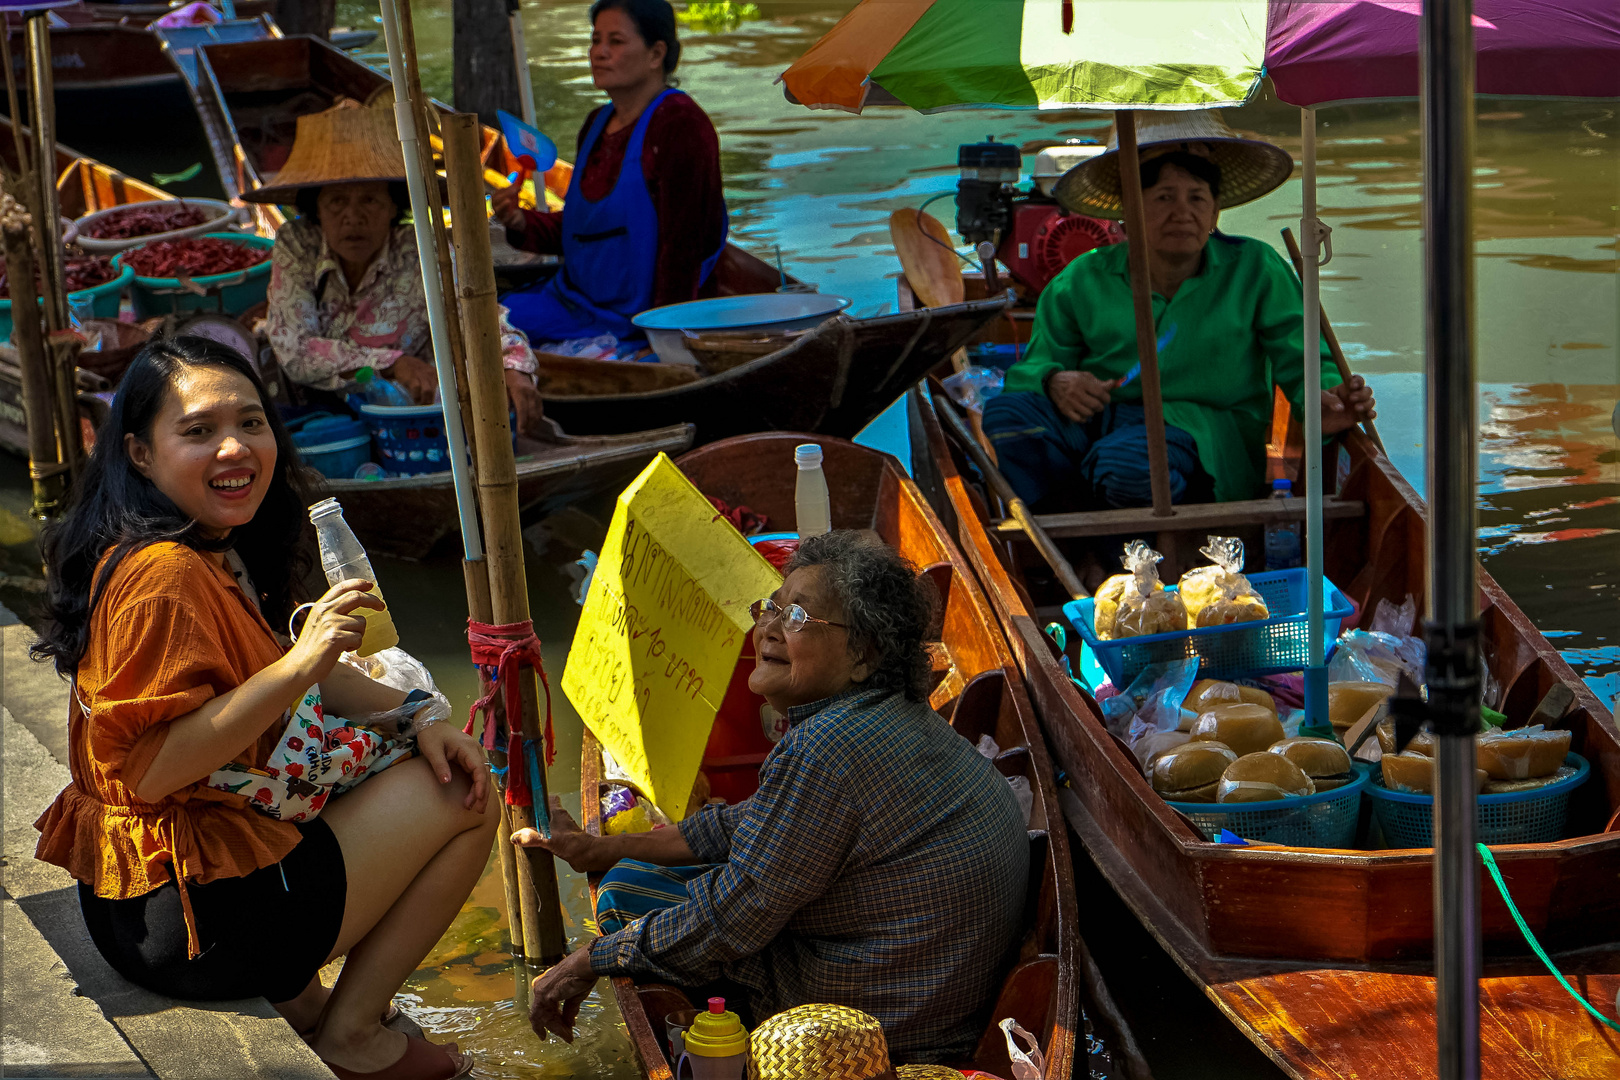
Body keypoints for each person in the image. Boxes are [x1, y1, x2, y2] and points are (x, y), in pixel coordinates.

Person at [30, 337, 496, 1080]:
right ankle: (353, 1035)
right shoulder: (166, 578)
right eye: (198, 431)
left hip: (152, 902)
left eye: (250, 423)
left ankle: (312, 1004)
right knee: (468, 796)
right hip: (191, 922)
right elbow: (152, 771)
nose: (234, 447)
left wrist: (419, 717)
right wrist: (303, 662)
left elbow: (294, 680)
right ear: (141, 455)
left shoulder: (195, 546)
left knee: (437, 755)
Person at [517, 532, 1029, 1063]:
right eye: (773, 608)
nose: (770, 629)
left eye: (799, 618)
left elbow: (731, 919)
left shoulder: (828, 747)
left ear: (864, 654)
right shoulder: (890, 718)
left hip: (870, 1023)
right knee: (634, 879)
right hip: (923, 991)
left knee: (626, 896)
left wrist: (590, 960)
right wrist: (601, 850)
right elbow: (757, 822)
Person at [982, 111, 1377, 511]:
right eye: (1163, 198)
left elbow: (1307, 362)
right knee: (1007, 416)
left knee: (1127, 464)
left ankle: (1120, 544)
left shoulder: (1255, 269)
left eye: (1197, 198)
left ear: (1215, 210)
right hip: (1101, 421)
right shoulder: (1081, 280)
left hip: (1206, 432)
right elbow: (1031, 372)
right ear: (1128, 209)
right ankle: (1071, 538)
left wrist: (1329, 399)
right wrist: (1055, 381)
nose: (1182, 213)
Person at [255, 102, 545, 435]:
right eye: (336, 201)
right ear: (316, 208)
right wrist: (391, 363)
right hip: (319, 408)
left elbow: (480, 316)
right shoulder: (298, 243)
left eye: (369, 200)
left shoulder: (421, 247)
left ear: (394, 204)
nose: (353, 217)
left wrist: (514, 368)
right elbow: (296, 350)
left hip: (409, 415)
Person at [491, 0, 729, 351]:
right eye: (595, 40)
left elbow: (683, 248)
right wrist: (520, 222)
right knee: (476, 327)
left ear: (656, 54)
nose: (598, 53)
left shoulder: (680, 125)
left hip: (639, 318)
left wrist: (664, 340)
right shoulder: (596, 124)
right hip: (574, 302)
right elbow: (583, 231)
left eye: (615, 41)